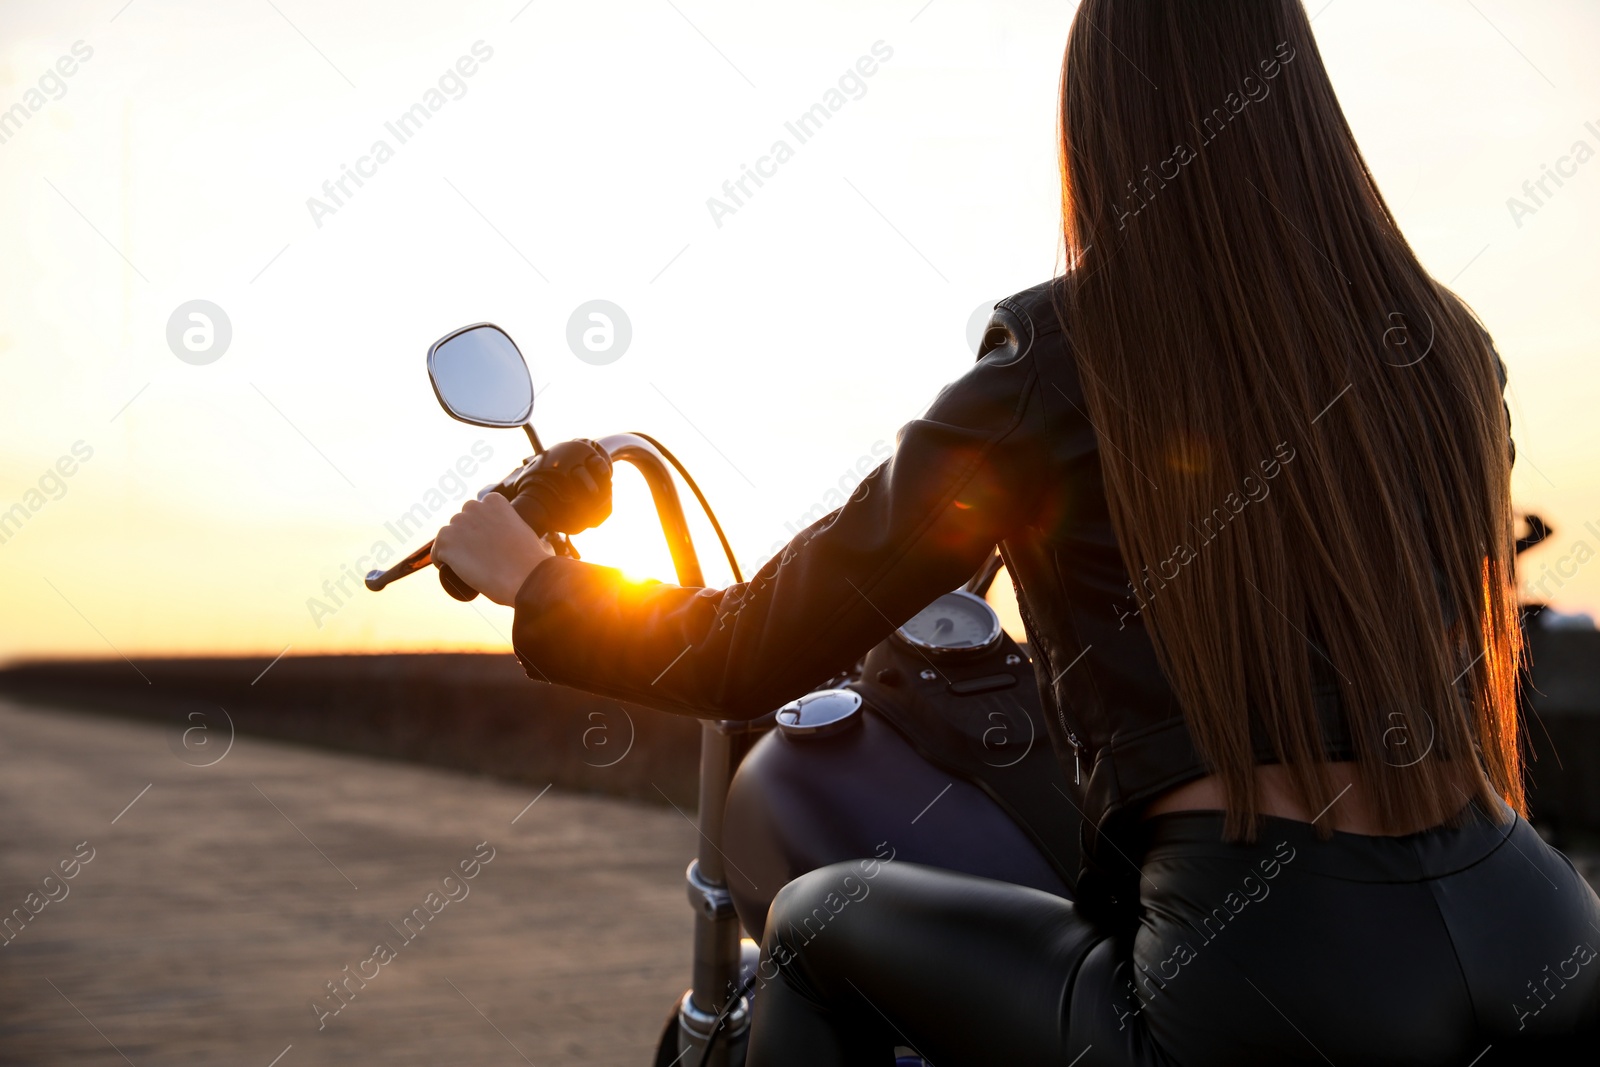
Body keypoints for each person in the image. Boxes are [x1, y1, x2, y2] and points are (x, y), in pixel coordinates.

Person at [433, 1, 1600, 1061]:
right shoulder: (1449, 349)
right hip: (1530, 919)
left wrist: (540, 581)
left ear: (1105, 131)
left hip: (1268, 969)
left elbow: (752, 649)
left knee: (813, 919)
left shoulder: (1061, 357)